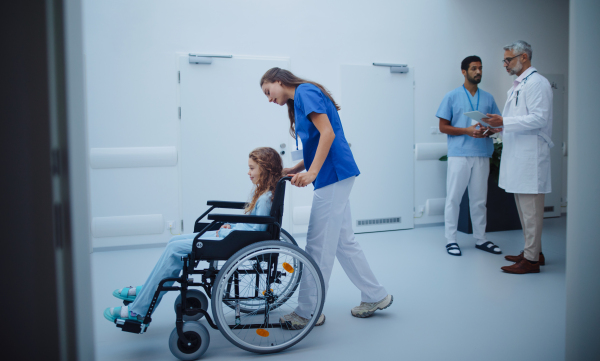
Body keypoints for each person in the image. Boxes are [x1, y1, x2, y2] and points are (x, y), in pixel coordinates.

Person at [260, 68, 392, 329]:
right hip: (335, 174)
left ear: (279, 80)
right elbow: (316, 141)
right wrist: (296, 169)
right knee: (344, 242)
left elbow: (328, 133)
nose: (269, 99)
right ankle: (376, 296)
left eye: (268, 91)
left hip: (332, 174)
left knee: (318, 245)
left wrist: (313, 173)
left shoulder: (305, 92)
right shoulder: (300, 99)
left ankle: (307, 312)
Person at [103, 147, 284, 322]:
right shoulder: (259, 191)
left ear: (265, 169)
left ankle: (139, 310)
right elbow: (251, 223)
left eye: (252, 168)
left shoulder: (265, 198)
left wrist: (229, 229)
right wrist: (232, 225)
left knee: (175, 248)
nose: (248, 172)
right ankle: (148, 290)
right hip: (233, 236)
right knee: (174, 240)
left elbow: (258, 231)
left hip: (236, 242)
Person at [484, 40, 553, 274]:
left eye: (508, 59)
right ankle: (534, 252)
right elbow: (517, 121)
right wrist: (496, 128)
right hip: (518, 155)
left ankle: (532, 261)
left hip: (531, 157)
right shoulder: (517, 86)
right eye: (504, 60)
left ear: (524, 57)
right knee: (525, 212)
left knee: (531, 212)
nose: (504, 64)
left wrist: (504, 122)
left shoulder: (537, 83)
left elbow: (539, 119)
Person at [436, 55, 503, 257]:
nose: (478, 72)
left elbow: (498, 126)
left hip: (482, 154)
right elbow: (442, 127)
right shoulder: (451, 96)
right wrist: (466, 131)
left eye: (480, 68)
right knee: (454, 198)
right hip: (459, 155)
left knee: (479, 200)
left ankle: (481, 239)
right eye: (474, 68)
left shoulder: (489, 98)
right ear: (464, 71)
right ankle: (451, 240)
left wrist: (488, 131)